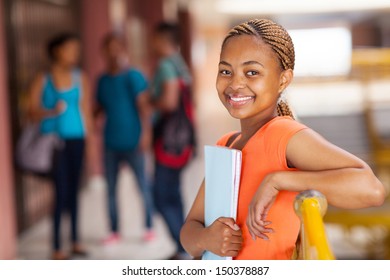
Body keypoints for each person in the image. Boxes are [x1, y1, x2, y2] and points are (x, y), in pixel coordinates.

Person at [180, 19, 386, 260]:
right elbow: (189, 230)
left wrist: (279, 180)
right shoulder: (227, 144)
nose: (235, 83)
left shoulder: (283, 136)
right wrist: (207, 238)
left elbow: (372, 189)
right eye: (226, 71)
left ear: (283, 80)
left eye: (252, 72)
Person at [28, 32, 93, 260]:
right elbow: (30, 110)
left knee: (75, 191)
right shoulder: (43, 78)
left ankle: (75, 241)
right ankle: (56, 246)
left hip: (77, 140)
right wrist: (50, 112)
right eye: (70, 48)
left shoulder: (80, 77)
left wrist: (91, 143)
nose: (75, 53)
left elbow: (86, 112)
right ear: (57, 51)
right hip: (54, 144)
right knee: (61, 192)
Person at [95, 33, 155, 245]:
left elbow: (144, 109)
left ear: (123, 50)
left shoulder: (134, 77)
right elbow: (98, 109)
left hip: (134, 142)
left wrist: (146, 135)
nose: (113, 53)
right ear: (103, 52)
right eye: (108, 48)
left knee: (143, 185)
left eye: (117, 48)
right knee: (110, 190)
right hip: (110, 142)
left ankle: (149, 227)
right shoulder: (102, 81)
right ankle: (113, 230)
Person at [151, 22, 194, 260]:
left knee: (160, 194)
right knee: (173, 193)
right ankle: (184, 245)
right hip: (183, 139)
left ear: (161, 39)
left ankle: (183, 247)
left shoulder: (166, 66)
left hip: (168, 140)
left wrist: (149, 103)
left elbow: (169, 102)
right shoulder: (180, 64)